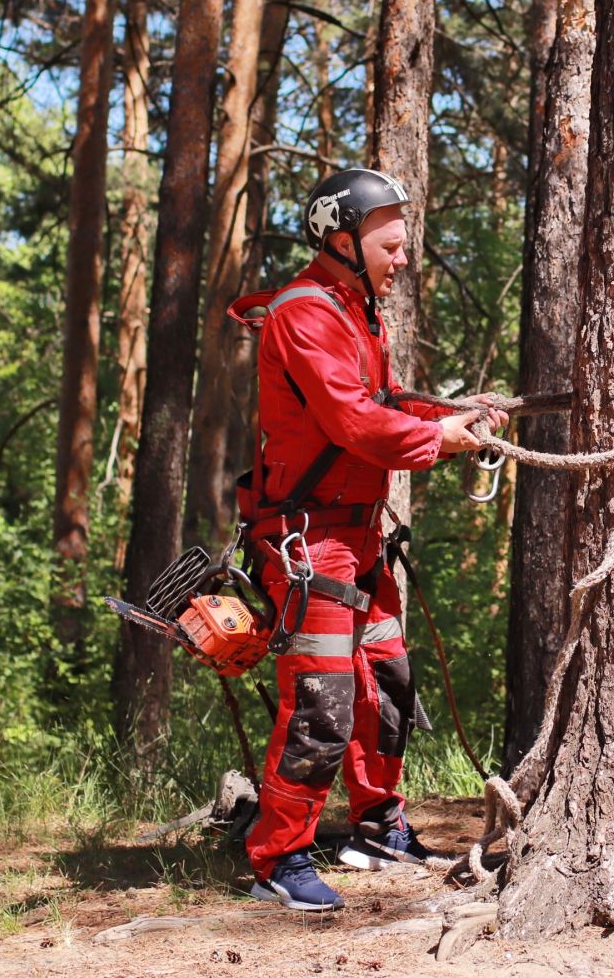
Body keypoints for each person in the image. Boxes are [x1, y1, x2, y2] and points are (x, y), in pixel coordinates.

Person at [229, 168, 507, 912]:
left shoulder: (359, 312)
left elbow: (382, 401)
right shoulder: (306, 315)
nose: (405, 255)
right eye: (392, 241)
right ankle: (278, 858)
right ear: (343, 238)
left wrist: (455, 411)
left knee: (385, 681)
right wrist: (441, 437)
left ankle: (376, 825)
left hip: (359, 538)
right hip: (309, 541)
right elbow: (354, 422)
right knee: (321, 699)